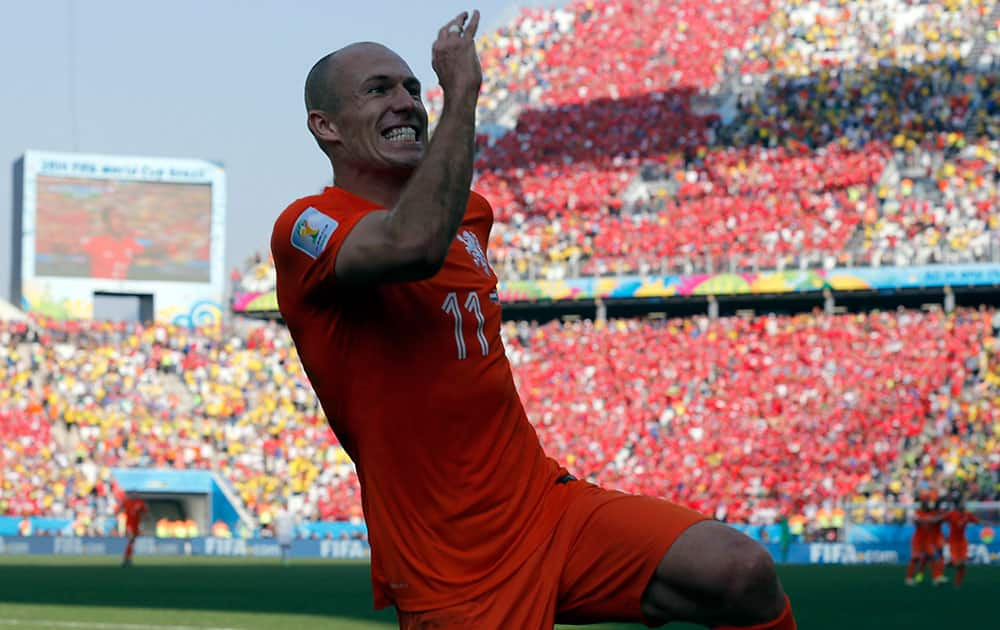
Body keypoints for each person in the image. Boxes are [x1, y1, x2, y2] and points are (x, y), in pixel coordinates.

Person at [271, 10, 794, 629]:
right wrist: (460, 91)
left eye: (414, 88)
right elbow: (410, 245)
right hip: (449, 558)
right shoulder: (308, 226)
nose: (407, 101)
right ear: (324, 125)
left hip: (544, 507)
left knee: (739, 571)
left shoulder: (469, 215)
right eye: (379, 89)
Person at [82, 208, 146, 280]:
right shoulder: (95, 242)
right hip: (100, 288)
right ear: (106, 222)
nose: (120, 222)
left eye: (122, 218)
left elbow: (147, 252)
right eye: (115, 218)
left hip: (123, 288)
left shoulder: (130, 242)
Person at [944, 498, 980, 588]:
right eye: (962, 503)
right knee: (958, 564)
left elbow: (977, 521)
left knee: (963, 565)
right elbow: (940, 519)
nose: (964, 505)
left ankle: (957, 583)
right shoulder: (951, 514)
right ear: (958, 505)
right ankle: (949, 563)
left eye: (964, 503)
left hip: (962, 542)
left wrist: (980, 521)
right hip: (953, 542)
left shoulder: (967, 515)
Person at [120, 493, 148, 568]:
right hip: (129, 525)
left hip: (136, 526)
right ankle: (127, 559)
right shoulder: (127, 502)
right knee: (131, 540)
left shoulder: (140, 502)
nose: (134, 495)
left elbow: (146, 512)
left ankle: (127, 559)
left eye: (135, 494)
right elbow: (119, 508)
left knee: (131, 542)